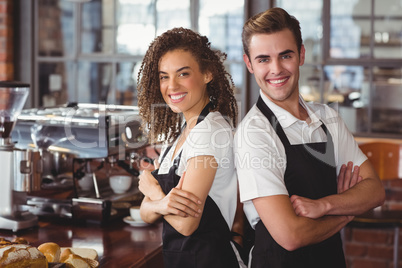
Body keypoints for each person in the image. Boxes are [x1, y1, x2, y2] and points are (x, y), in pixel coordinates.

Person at [234, 7, 385, 268]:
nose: (276, 69)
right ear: (249, 64)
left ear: (301, 55)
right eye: (263, 60)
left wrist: (324, 206)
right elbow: (290, 235)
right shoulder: (254, 133)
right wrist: (347, 210)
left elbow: (374, 192)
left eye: (285, 55)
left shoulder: (328, 118)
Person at [136, 27, 245, 268]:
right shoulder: (179, 135)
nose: (171, 86)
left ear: (207, 74)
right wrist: (163, 204)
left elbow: (186, 225)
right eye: (164, 76)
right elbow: (144, 213)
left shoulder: (210, 131)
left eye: (183, 74)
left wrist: (155, 194)